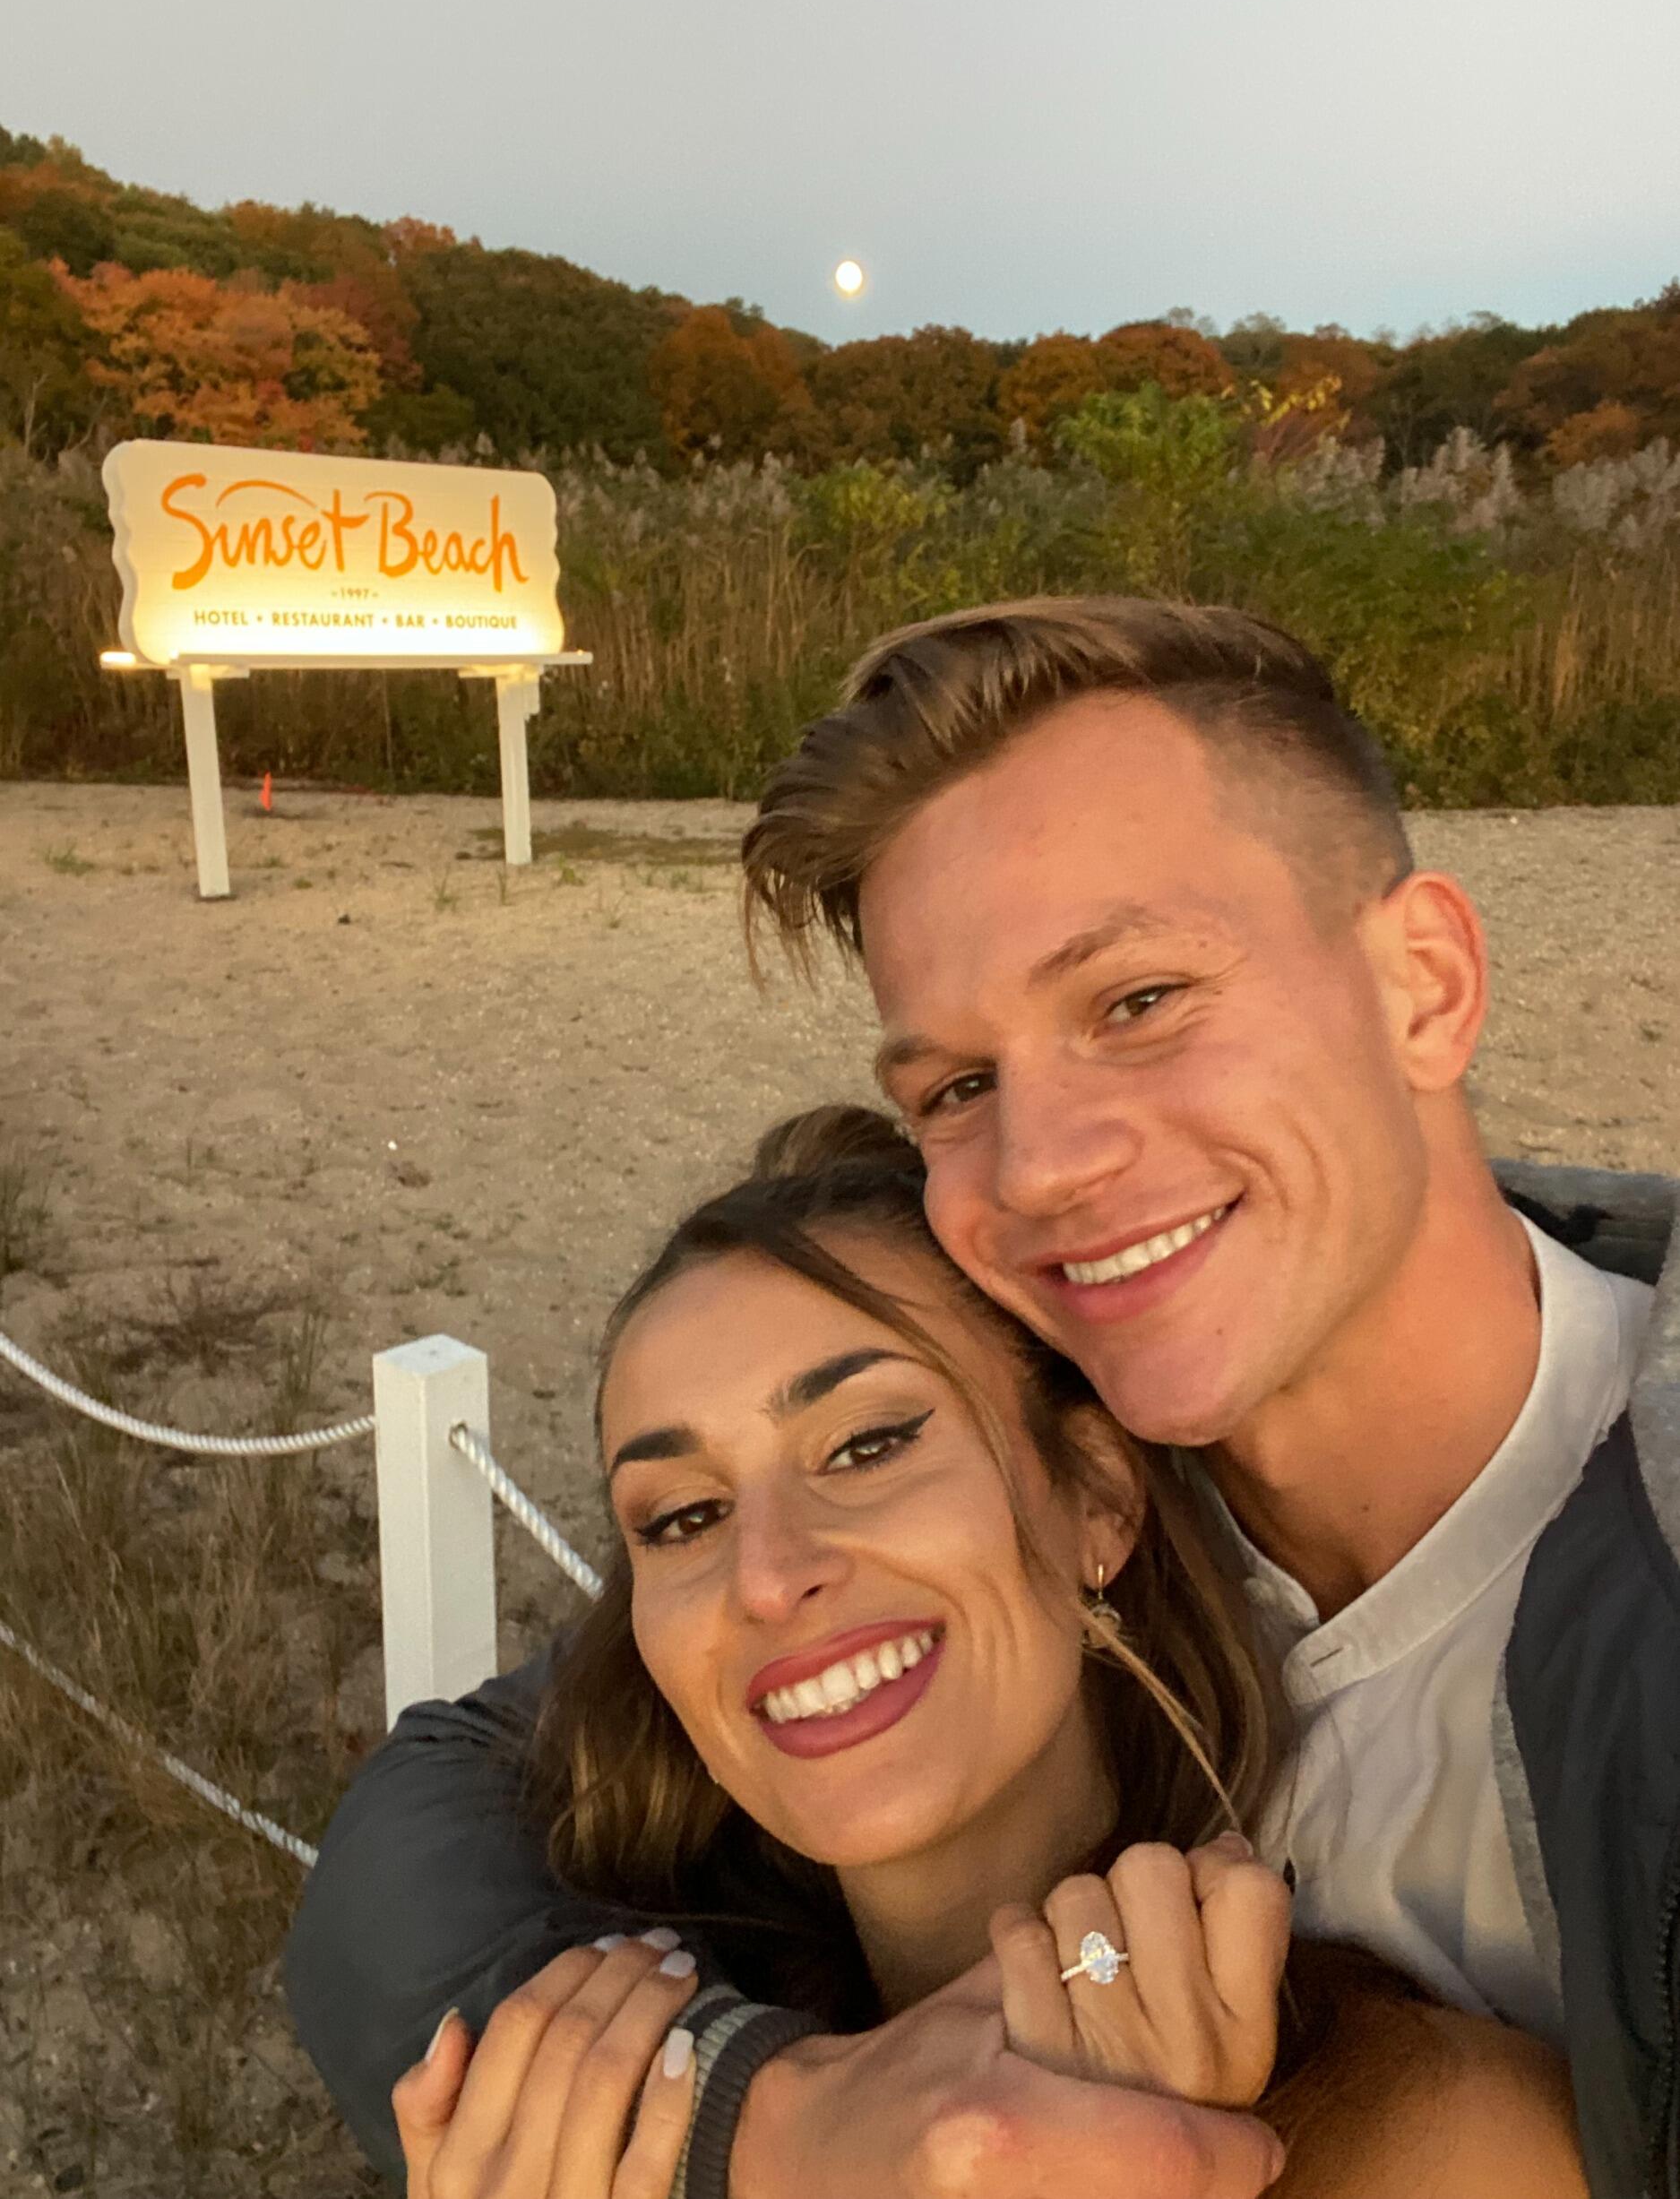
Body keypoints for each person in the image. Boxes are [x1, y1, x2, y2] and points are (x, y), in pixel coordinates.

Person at [286, 598, 1679, 2199]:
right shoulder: (1051, 1437)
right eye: (955, 1086)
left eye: (1141, 1001)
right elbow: (456, 1792)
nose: (1041, 1165)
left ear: (1424, 983)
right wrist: (771, 2121)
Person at [388, 1108, 1585, 2199]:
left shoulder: (1425, 2128)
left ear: (1098, 1502)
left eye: (866, 1446)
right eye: (682, 1517)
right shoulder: (612, 2086)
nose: (764, 1575)